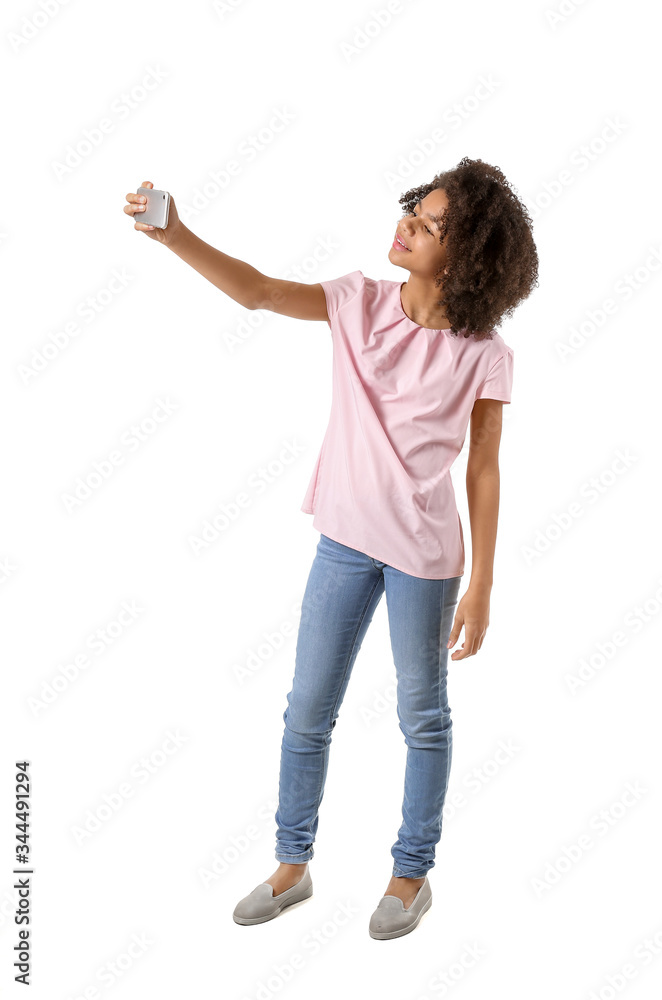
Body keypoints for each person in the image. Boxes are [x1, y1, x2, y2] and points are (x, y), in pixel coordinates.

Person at [123, 157, 539, 940]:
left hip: (424, 557)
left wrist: (482, 583)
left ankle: (409, 876)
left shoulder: (484, 355)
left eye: (428, 224)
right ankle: (291, 866)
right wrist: (174, 233)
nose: (406, 224)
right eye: (412, 210)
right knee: (307, 710)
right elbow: (256, 290)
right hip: (344, 541)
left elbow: (483, 469)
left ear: (468, 253)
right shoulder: (357, 302)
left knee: (422, 717)